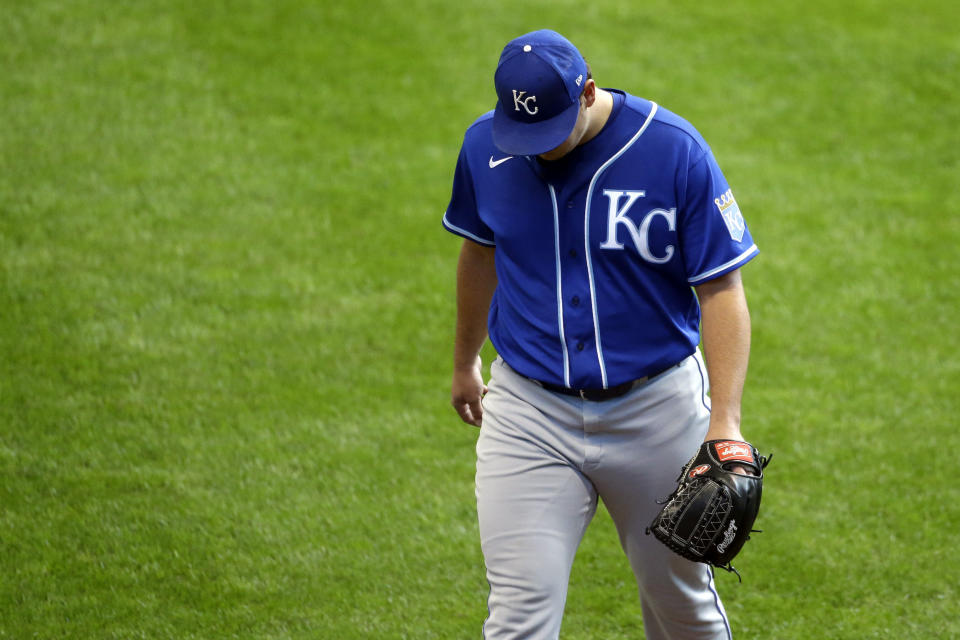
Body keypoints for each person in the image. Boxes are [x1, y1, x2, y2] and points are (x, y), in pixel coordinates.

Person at [442, 29, 759, 640]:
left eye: (550, 131)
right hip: (529, 411)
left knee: (681, 607)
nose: (536, 149)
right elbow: (478, 253)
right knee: (517, 618)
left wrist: (726, 421)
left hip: (657, 412)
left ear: (587, 93)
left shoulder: (674, 151)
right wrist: (464, 360)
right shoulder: (485, 146)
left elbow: (721, 290)